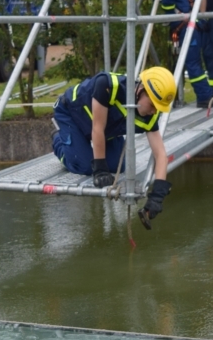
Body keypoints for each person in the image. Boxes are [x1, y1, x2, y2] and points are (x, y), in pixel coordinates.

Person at [52, 67, 177, 230]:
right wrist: (100, 170)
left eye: (158, 108)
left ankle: (79, 146)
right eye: (152, 104)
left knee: (118, 166)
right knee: (84, 165)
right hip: (72, 114)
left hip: (105, 128)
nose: (154, 111)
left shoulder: (151, 115)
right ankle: (57, 140)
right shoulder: (107, 86)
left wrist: (157, 196)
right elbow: (98, 128)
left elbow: (160, 154)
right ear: (140, 89)